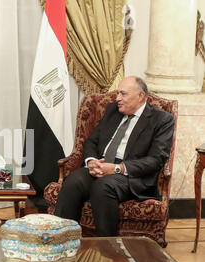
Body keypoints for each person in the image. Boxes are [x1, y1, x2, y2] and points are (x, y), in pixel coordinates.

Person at [55, 76, 175, 236]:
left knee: (103, 186)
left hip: (131, 175)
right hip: (101, 165)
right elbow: (91, 141)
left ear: (140, 96)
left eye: (123, 94)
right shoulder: (113, 110)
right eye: (118, 93)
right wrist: (91, 162)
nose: (117, 98)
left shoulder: (161, 119)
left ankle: (109, 248)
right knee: (73, 181)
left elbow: (155, 160)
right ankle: (61, 241)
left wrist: (117, 168)